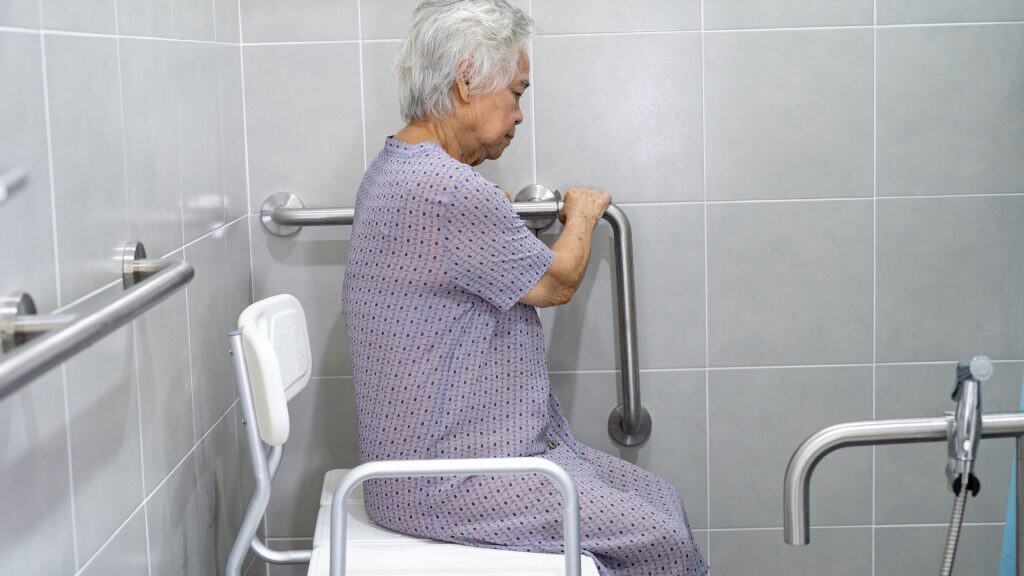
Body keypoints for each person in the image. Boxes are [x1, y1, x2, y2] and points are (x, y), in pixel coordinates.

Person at [341, 1, 707, 574]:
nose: (519, 115)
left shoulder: (397, 169)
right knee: (660, 540)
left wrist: (496, 219)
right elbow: (557, 282)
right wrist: (582, 214)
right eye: (516, 92)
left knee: (662, 502)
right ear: (466, 80)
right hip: (450, 479)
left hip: (440, 464)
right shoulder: (448, 190)